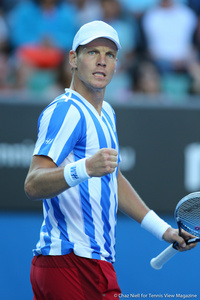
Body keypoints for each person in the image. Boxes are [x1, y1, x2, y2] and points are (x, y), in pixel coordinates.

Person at [24, 20, 196, 300]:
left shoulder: (107, 114)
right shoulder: (67, 111)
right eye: (92, 52)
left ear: (117, 64)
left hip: (92, 265)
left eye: (110, 54)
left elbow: (112, 178)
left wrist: (164, 230)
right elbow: (32, 184)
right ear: (73, 59)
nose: (102, 61)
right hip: (69, 262)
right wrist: (85, 168)